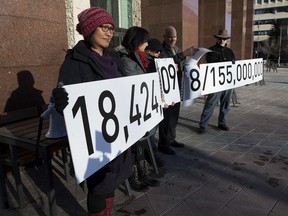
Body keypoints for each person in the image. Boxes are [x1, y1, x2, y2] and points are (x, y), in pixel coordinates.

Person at [52, 7, 132, 216]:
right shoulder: (74, 61)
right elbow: (68, 106)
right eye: (103, 27)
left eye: (110, 28)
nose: (108, 32)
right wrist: (61, 101)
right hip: (94, 140)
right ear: (89, 30)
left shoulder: (113, 58)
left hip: (118, 132)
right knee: (98, 186)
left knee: (112, 180)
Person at [117, 26, 160, 192]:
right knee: (134, 144)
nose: (147, 43)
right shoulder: (125, 58)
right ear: (137, 41)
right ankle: (133, 176)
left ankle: (143, 173)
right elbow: (137, 82)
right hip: (130, 109)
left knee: (141, 142)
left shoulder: (140, 57)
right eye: (145, 40)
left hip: (140, 108)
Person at [158, 26, 198, 155]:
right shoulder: (161, 50)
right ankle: (163, 143)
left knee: (174, 115)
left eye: (174, 37)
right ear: (164, 37)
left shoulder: (177, 49)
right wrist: (184, 54)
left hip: (177, 86)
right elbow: (164, 62)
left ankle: (171, 139)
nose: (172, 39)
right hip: (166, 88)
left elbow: (179, 64)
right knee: (166, 117)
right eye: (170, 36)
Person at [198, 29, 236, 134]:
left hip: (228, 82)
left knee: (226, 103)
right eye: (220, 38)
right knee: (210, 103)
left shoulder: (230, 52)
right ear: (217, 39)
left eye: (224, 39)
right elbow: (210, 63)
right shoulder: (211, 50)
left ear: (226, 40)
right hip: (215, 83)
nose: (222, 40)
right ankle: (203, 124)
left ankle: (222, 122)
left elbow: (233, 65)